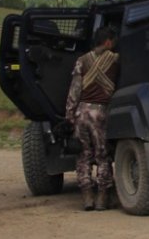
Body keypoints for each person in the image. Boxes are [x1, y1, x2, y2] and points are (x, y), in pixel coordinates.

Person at [65, 26, 120, 211]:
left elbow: (74, 91)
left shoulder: (81, 61)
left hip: (81, 112)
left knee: (83, 156)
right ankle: (102, 198)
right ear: (107, 42)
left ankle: (87, 197)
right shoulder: (115, 60)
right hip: (100, 114)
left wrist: (70, 116)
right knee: (103, 156)